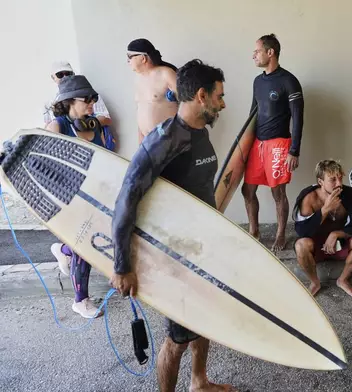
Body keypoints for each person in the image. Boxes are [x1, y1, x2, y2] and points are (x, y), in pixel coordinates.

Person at [109, 59, 238, 392]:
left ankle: (199, 381)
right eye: (219, 96)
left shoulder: (200, 132)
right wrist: (122, 265)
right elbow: (126, 199)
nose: (223, 103)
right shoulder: (165, 141)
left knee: (204, 319)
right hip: (177, 256)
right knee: (177, 338)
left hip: (203, 248)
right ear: (201, 96)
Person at [46, 75, 109, 319]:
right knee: (85, 245)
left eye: (94, 98)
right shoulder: (58, 126)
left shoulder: (95, 126)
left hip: (95, 194)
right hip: (69, 197)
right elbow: (47, 165)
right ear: (70, 101)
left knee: (86, 242)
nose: (92, 102)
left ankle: (63, 250)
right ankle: (80, 300)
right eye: (87, 99)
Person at [242, 33, 304, 252]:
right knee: (247, 190)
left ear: (271, 52)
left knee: (278, 193)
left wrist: (294, 151)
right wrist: (244, 146)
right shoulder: (258, 81)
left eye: (257, 51)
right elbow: (253, 114)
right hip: (257, 144)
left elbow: (298, 117)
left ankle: (280, 234)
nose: (253, 55)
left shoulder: (289, 81)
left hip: (279, 144)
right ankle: (254, 230)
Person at [293, 160, 352, 297]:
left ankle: (343, 280)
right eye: (332, 180)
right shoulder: (309, 198)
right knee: (301, 245)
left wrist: (336, 233)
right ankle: (315, 282)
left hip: (341, 244)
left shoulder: (349, 195)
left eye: (340, 178)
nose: (339, 184)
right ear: (320, 182)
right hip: (317, 247)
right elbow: (302, 231)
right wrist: (325, 210)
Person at [127, 38, 179, 144]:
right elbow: (141, 109)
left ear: (143, 58)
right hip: (147, 142)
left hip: (169, 140)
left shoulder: (166, 74)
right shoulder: (138, 78)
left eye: (130, 57)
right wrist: (141, 139)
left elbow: (187, 104)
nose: (128, 61)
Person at [44, 61, 112, 129]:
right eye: (60, 74)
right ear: (53, 77)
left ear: (73, 74)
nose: (65, 77)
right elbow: (47, 127)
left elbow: (107, 118)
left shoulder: (91, 95)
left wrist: (88, 124)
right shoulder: (49, 103)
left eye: (68, 73)